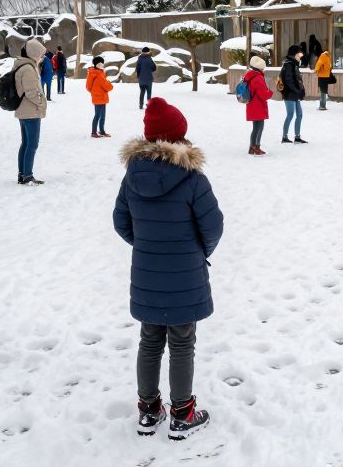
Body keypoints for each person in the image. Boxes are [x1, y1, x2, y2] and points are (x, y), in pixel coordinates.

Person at [113, 98, 224, 439]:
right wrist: (194, 252)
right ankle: (182, 413)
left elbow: (121, 221)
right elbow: (213, 226)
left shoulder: (133, 175)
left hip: (147, 272)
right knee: (181, 343)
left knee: (149, 341)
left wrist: (147, 247)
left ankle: (148, 410)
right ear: (179, 135)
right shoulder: (192, 177)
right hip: (185, 273)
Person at [14, 38, 48, 186]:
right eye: (40, 54)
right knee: (32, 145)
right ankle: (27, 175)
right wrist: (41, 103)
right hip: (30, 111)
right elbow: (31, 92)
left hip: (24, 110)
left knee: (26, 144)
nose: (41, 57)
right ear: (34, 54)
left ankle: (23, 174)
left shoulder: (22, 66)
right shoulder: (28, 68)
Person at [243, 56, 273, 155]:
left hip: (251, 105)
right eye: (263, 68)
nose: (263, 69)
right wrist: (270, 92)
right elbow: (263, 94)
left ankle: (251, 147)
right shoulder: (258, 78)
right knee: (259, 127)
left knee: (255, 128)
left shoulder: (249, 75)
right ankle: (256, 147)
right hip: (258, 106)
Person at [279, 45, 307, 144]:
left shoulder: (294, 64)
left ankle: (297, 137)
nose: (301, 55)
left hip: (295, 94)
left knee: (299, 115)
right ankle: (284, 137)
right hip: (289, 94)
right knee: (290, 115)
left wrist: (301, 90)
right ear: (294, 54)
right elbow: (289, 80)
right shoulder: (289, 65)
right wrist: (297, 90)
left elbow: (298, 80)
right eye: (299, 53)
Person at [86, 55, 114, 138]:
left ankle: (101, 131)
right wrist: (109, 83)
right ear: (97, 64)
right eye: (101, 63)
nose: (102, 65)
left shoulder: (92, 73)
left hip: (98, 97)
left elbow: (88, 87)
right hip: (101, 97)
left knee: (100, 115)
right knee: (99, 115)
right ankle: (95, 132)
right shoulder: (99, 74)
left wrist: (94, 92)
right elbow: (108, 87)